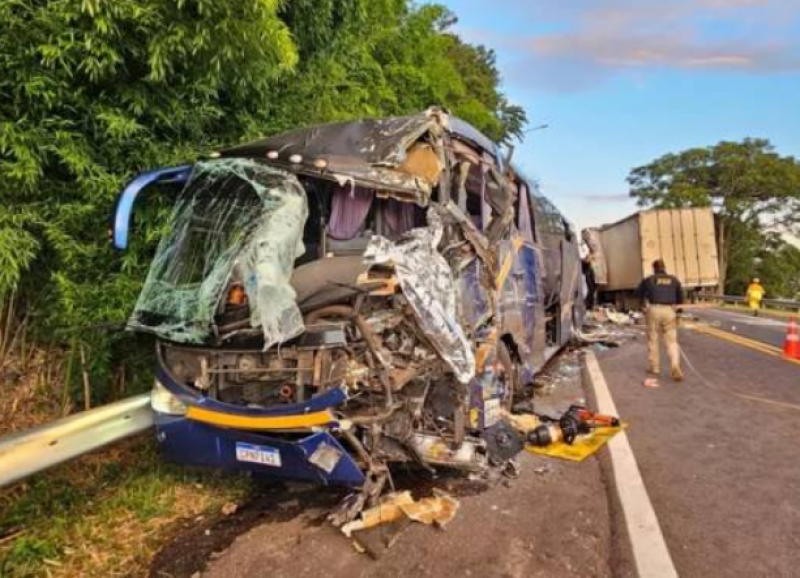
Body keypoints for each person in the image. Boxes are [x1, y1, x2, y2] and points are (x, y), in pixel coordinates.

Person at [637, 259, 683, 382]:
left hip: (654, 309)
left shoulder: (649, 280)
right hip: (670, 310)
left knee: (653, 338)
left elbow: (639, 293)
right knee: (672, 341)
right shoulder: (674, 280)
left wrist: (642, 306)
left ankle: (655, 367)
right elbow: (680, 297)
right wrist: (678, 312)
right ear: (664, 267)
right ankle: (675, 365)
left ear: (654, 268)